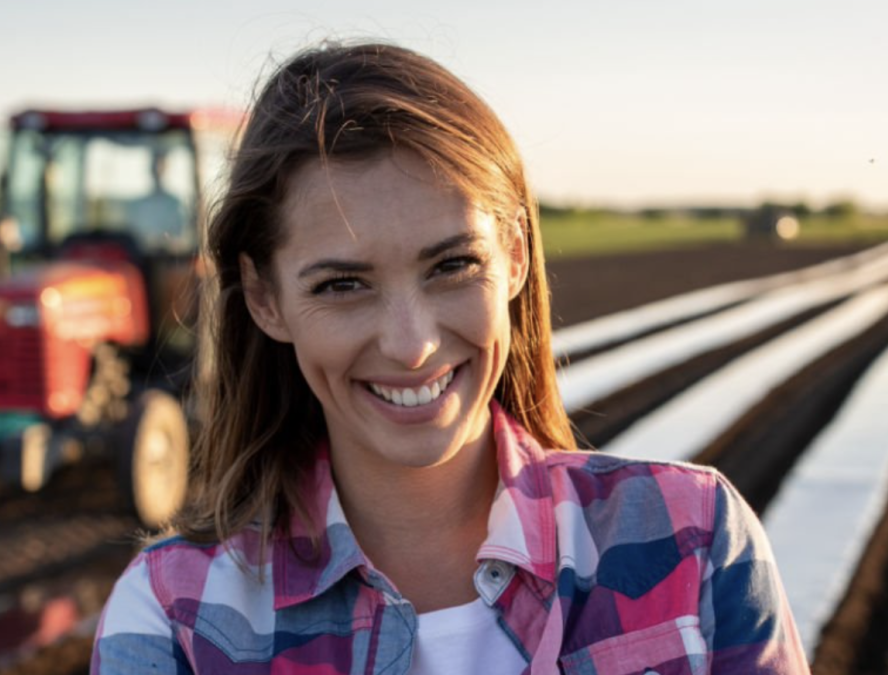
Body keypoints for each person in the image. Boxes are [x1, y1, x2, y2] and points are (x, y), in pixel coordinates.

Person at [92, 42, 809, 674]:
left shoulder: (692, 542)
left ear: (518, 256)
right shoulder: (174, 619)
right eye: (343, 284)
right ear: (264, 298)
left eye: (453, 265)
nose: (412, 343)